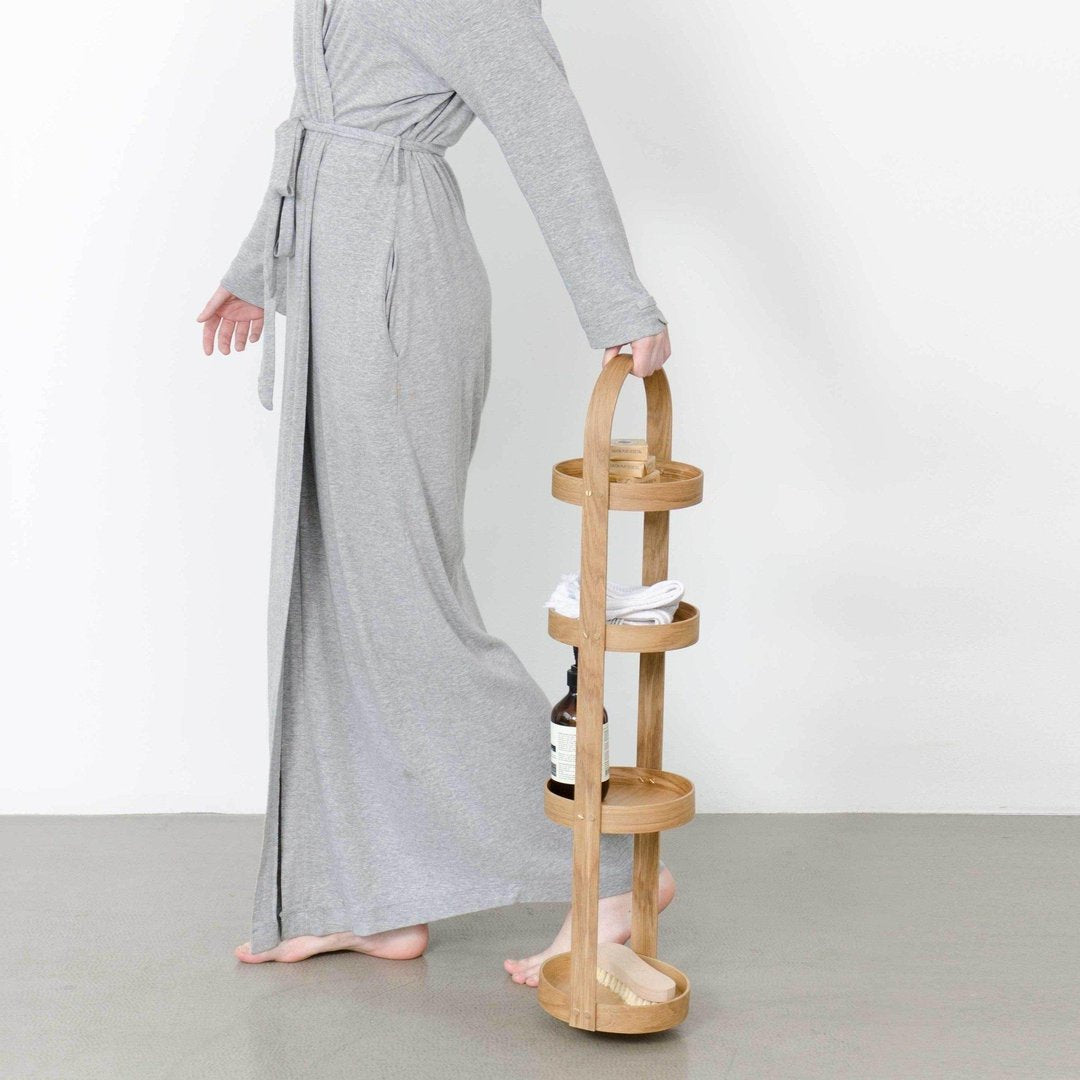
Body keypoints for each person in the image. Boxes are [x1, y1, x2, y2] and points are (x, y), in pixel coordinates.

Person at [196, 0, 675, 989]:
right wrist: (258, 266)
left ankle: (607, 875)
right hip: (334, 273)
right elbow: (319, 117)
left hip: (394, 287)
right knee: (335, 599)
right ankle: (366, 896)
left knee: (407, 611)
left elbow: (542, 116)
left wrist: (616, 300)